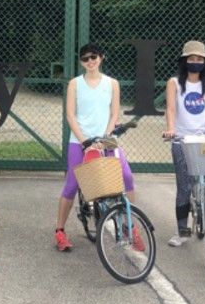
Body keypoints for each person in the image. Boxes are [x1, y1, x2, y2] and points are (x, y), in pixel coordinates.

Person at [54, 43, 141, 252]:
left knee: (126, 177)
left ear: (101, 58)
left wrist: (106, 136)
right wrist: (84, 140)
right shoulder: (75, 84)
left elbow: (114, 114)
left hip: (106, 139)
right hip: (80, 140)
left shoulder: (112, 83)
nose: (90, 62)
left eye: (93, 57)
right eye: (85, 58)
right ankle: (59, 231)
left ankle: (130, 226)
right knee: (73, 184)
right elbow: (70, 115)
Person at [163, 40, 205, 248]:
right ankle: (182, 231)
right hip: (183, 139)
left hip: (204, 139)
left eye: (199, 59)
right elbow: (171, 109)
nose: (195, 62)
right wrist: (170, 129)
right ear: (185, 61)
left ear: (204, 62)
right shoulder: (174, 83)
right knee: (184, 186)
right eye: (191, 59)